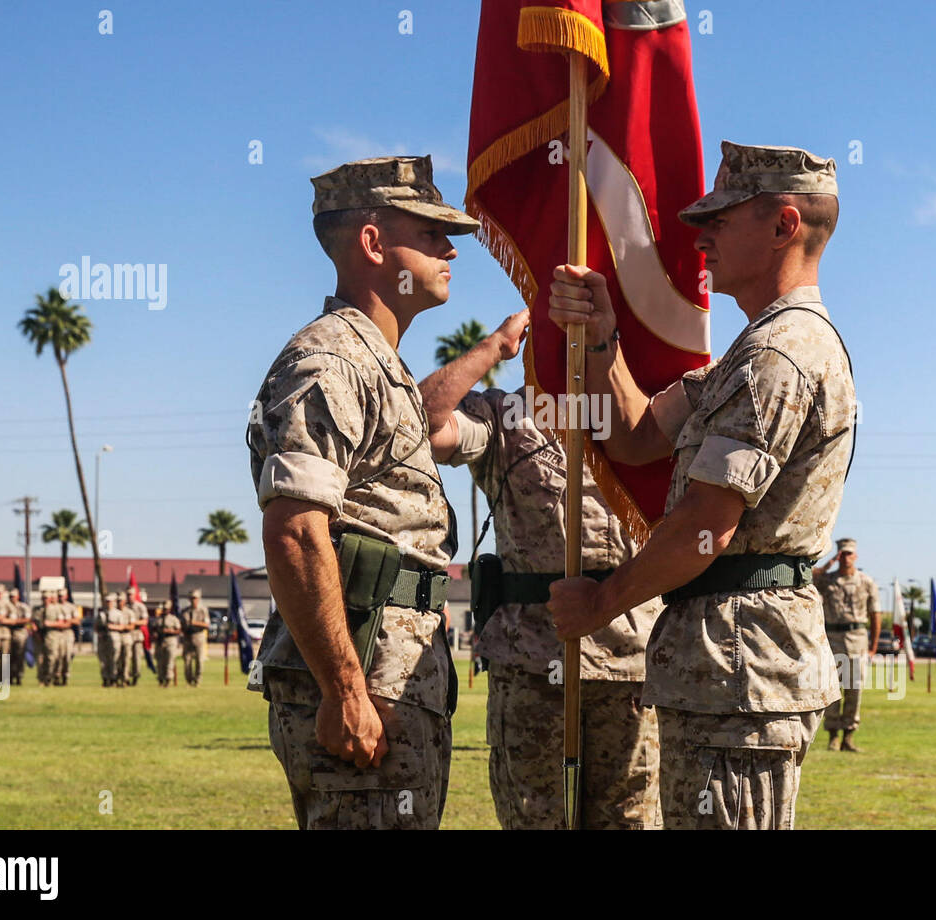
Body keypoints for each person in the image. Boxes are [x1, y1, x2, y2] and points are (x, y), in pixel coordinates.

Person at [546, 143, 850, 829]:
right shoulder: (752, 351)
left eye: (724, 217)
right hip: (723, 673)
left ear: (784, 225)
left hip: (744, 676)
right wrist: (602, 338)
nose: (702, 235)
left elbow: (706, 525)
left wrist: (602, 602)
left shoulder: (779, 355)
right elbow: (634, 436)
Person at [247, 154, 472, 829]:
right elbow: (294, 529)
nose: (449, 247)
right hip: (362, 679)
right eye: (429, 231)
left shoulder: (380, 364)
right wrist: (344, 690)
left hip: (393, 674)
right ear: (373, 243)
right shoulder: (331, 360)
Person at [420, 307, 664, 829]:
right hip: (531, 662)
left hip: (629, 662)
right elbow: (416, 426)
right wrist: (492, 349)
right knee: (533, 818)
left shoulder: (644, 419)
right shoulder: (503, 418)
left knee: (630, 820)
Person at [813, 538, 879, 751]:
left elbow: (875, 613)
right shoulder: (828, 580)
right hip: (832, 637)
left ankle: (848, 736)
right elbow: (809, 578)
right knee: (832, 687)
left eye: (849, 554)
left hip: (857, 637)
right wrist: (829, 563)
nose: (845, 557)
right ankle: (833, 735)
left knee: (855, 688)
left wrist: (873, 646)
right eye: (842, 553)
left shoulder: (866, 581)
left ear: (856, 556)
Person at [181, 589, 210, 687]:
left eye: (195, 598)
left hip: (199, 637)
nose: (193, 600)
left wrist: (194, 623)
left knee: (199, 660)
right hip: (188, 637)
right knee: (187, 661)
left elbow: (206, 624)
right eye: (192, 598)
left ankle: (197, 680)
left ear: (199, 599)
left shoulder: (203, 610)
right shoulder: (185, 611)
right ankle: (189, 681)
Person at [154, 600, 184, 687]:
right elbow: (154, 629)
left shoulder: (173, 619)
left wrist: (170, 631)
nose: (165, 610)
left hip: (170, 641)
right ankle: (160, 679)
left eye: (166, 608)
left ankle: (168, 679)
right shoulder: (158, 619)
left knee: (169, 661)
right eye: (164, 608)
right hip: (160, 642)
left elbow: (179, 630)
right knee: (160, 662)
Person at [9, 587, 32, 686]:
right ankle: (9, 677)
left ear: (18, 596)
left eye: (13, 596)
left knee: (20, 655)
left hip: (20, 632)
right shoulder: (6, 606)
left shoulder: (23, 607)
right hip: (8, 632)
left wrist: (14, 622)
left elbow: (27, 619)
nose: (12, 598)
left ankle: (19, 676)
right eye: (10, 596)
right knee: (8, 656)